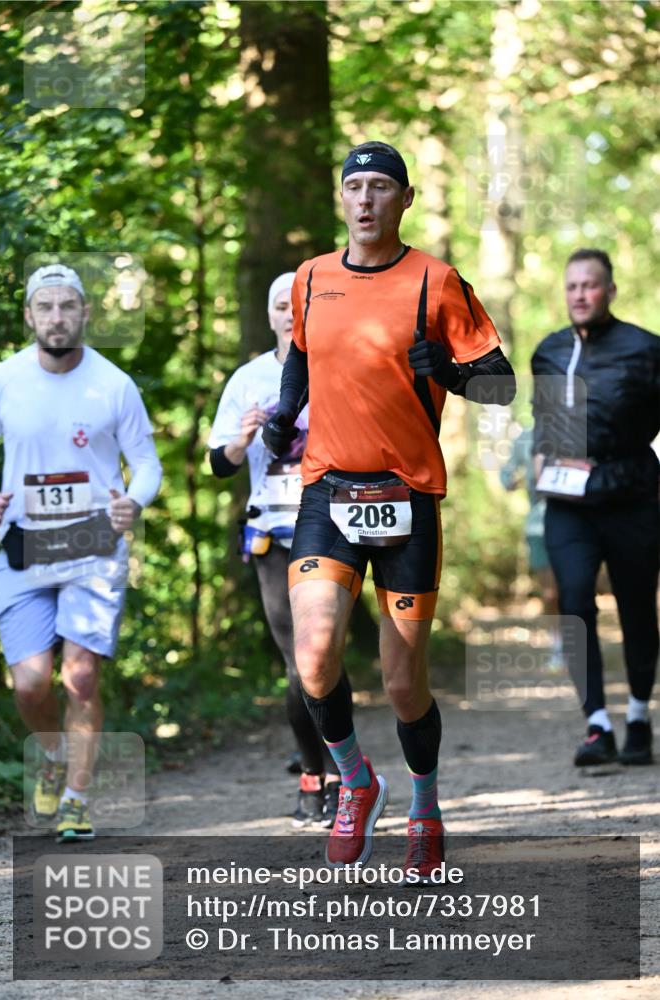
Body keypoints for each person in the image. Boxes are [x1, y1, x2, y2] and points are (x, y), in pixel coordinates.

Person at [262, 141, 515, 874]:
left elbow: (499, 383)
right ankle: (354, 778)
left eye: (380, 187)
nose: (366, 200)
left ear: (405, 200)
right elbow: (301, 358)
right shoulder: (311, 278)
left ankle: (425, 806)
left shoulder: (435, 280)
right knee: (313, 658)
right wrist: (285, 415)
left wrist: (452, 375)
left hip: (408, 496)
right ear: (341, 200)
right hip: (327, 490)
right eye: (355, 188)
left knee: (403, 682)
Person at [0, 263, 162, 841]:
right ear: (30, 316)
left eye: (68, 306)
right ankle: (50, 754)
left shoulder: (113, 384)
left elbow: (146, 465)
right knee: (31, 684)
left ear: (86, 313)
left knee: (81, 678)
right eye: (46, 307)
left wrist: (132, 504)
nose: (58, 317)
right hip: (24, 549)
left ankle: (75, 799)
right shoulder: (4, 379)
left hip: (93, 545)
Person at [208, 272, 351, 829]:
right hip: (272, 535)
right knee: (299, 664)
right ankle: (315, 776)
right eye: (279, 306)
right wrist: (241, 440)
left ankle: (345, 778)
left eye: (299, 304)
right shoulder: (247, 379)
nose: (290, 314)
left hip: (336, 529)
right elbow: (217, 463)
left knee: (328, 656)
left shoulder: (338, 365)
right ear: (269, 316)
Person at [532, 249, 659, 766]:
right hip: (569, 503)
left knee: (635, 610)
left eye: (590, 285)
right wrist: (544, 457)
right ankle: (596, 725)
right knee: (575, 601)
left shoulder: (645, 349)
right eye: (572, 286)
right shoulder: (549, 351)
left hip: (632, 497)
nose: (580, 294)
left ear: (609, 291)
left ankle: (636, 715)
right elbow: (543, 419)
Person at [500, 426, 562, 668]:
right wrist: (511, 481)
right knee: (550, 593)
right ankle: (558, 647)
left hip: (577, 523)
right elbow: (506, 475)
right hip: (538, 525)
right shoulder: (525, 437)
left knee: (574, 589)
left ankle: (580, 644)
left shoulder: (576, 433)